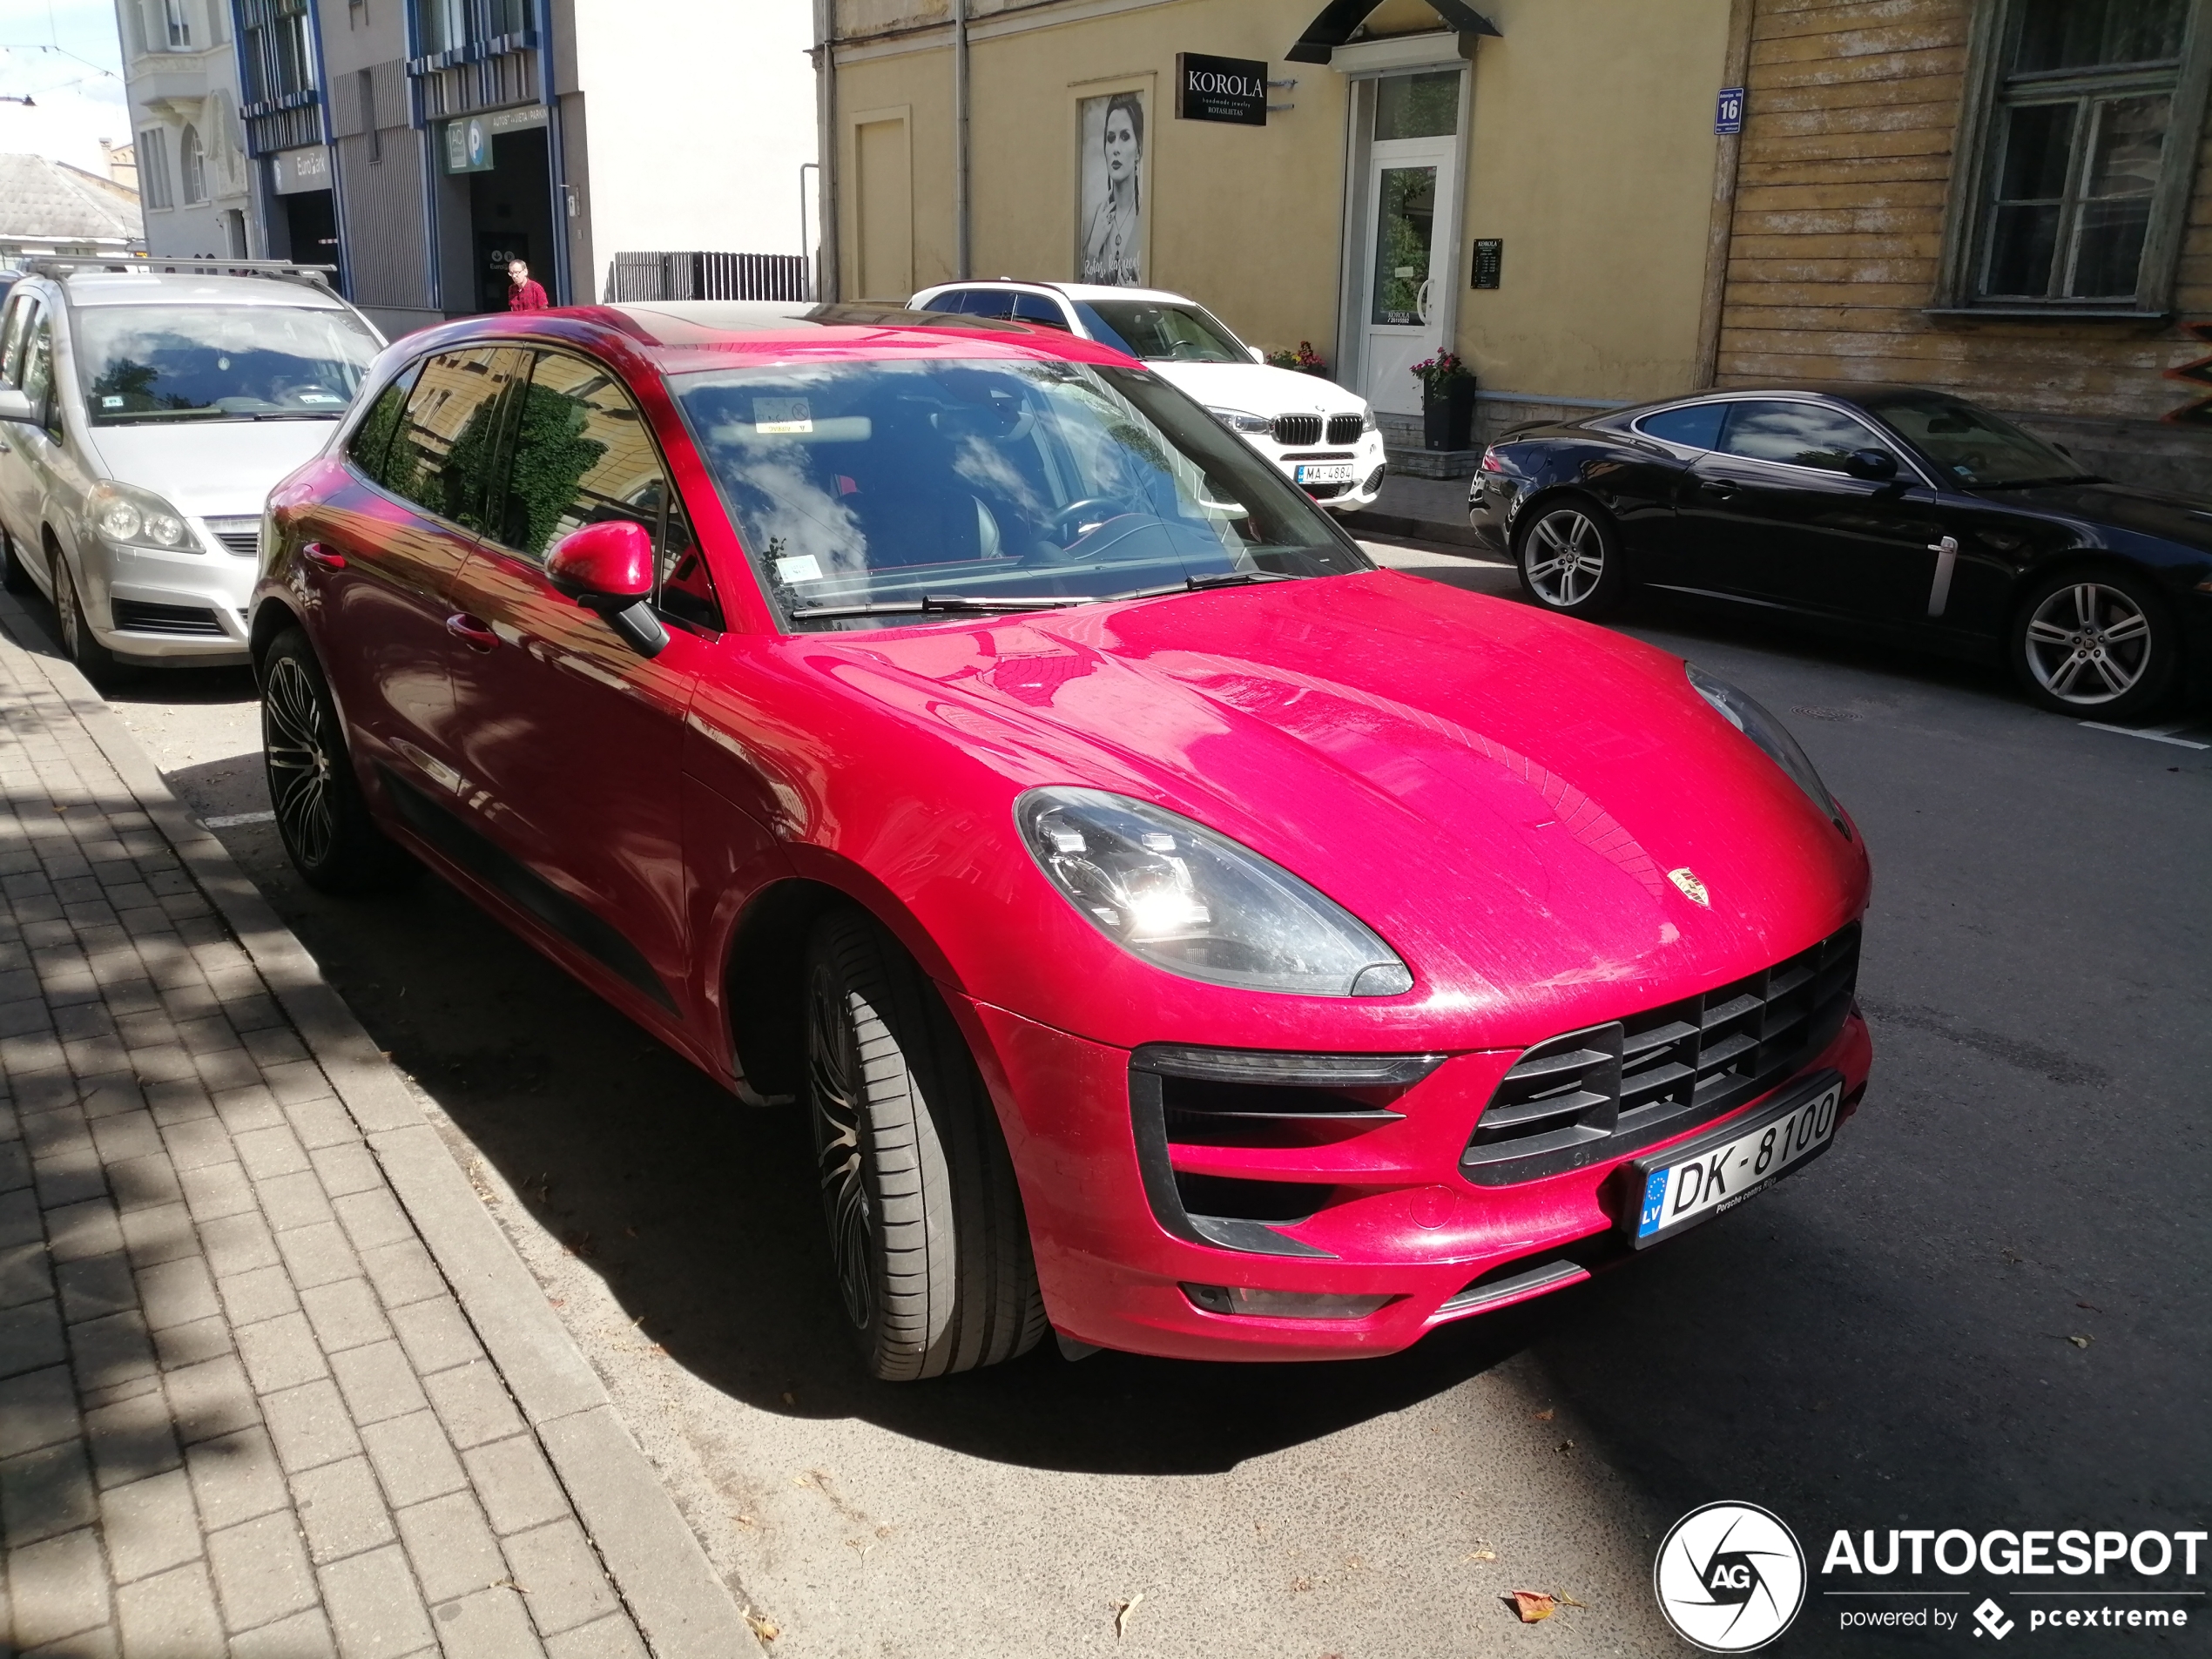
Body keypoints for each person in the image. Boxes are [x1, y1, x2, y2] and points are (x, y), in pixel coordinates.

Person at [1080, 93, 1143, 287]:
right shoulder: (1093, 221)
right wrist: (1093, 250)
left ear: (1138, 151)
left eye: (1125, 137)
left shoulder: (1146, 219)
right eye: (1110, 138)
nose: (1116, 148)